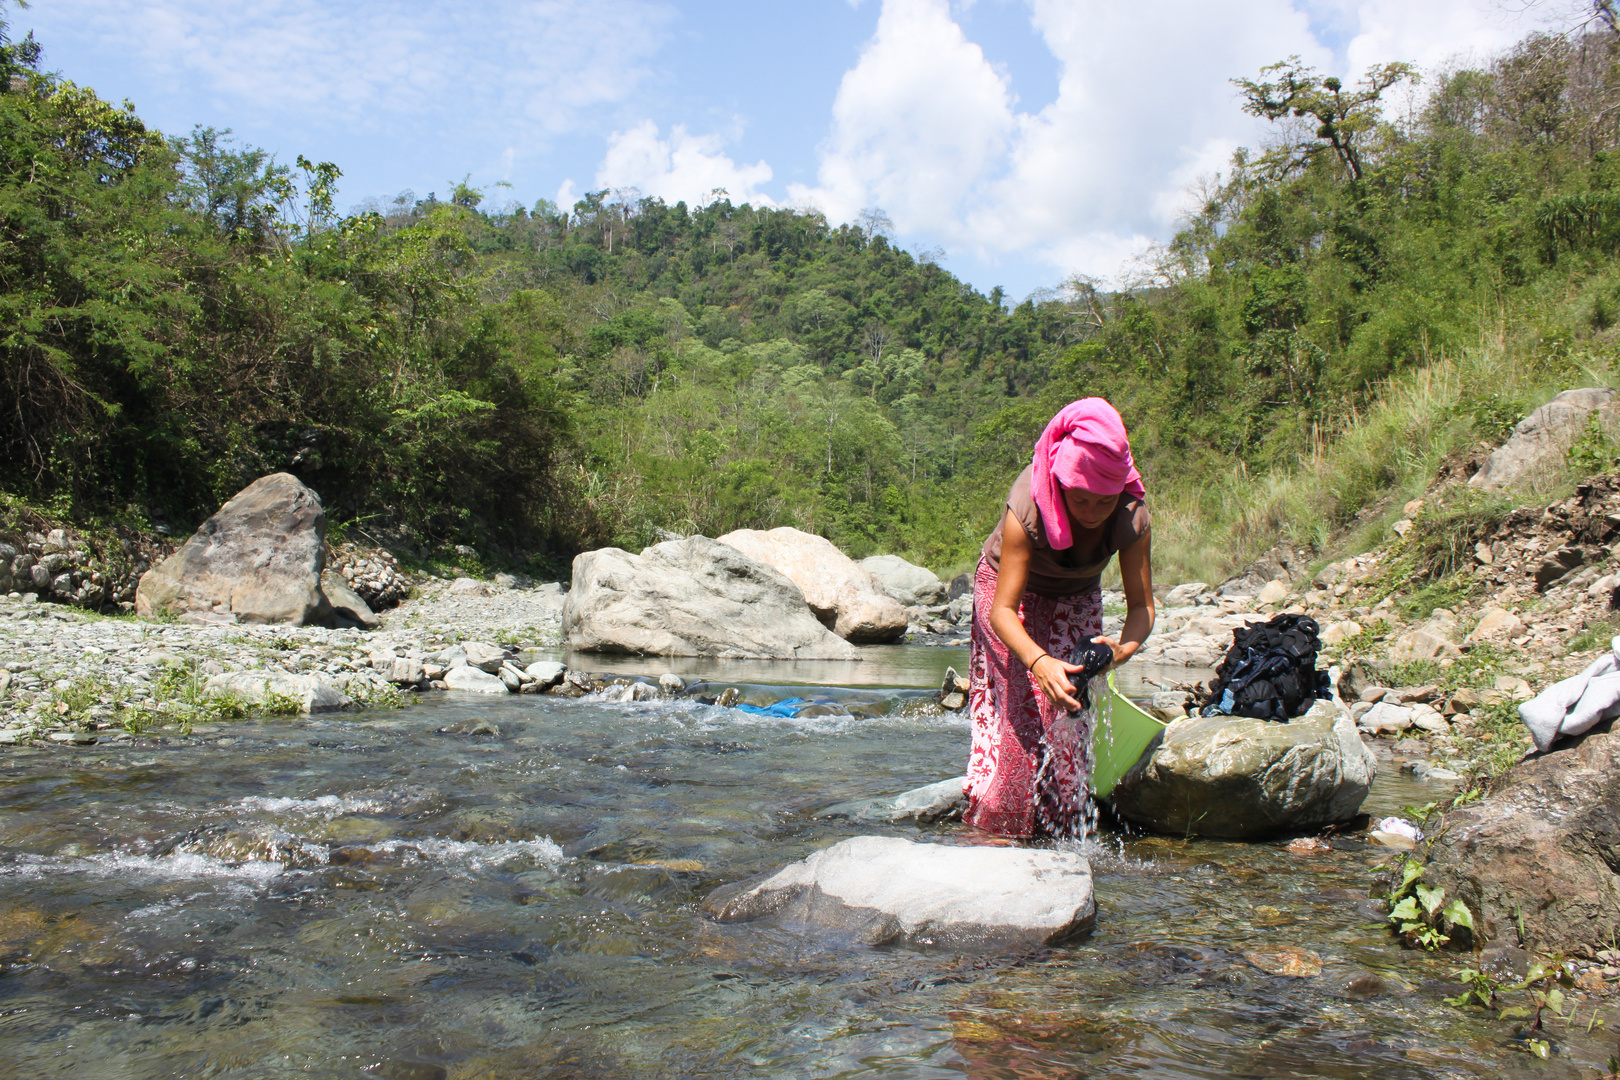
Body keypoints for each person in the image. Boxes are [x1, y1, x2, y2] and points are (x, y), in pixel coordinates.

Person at [963, 397, 1155, 839]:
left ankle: (1061, 839)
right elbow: (1003, 612)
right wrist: (1038, 661)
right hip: (1009, 595)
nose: (1089, 514)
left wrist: (1119, 652)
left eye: (1101, 503)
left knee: (1069, 715)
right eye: (1078, 500)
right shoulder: (1029, 502)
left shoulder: (1131, 516)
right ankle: (996, 832)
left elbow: (1142, 609)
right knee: (1022, 717)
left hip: (1076, 595)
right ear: (1059, 481)